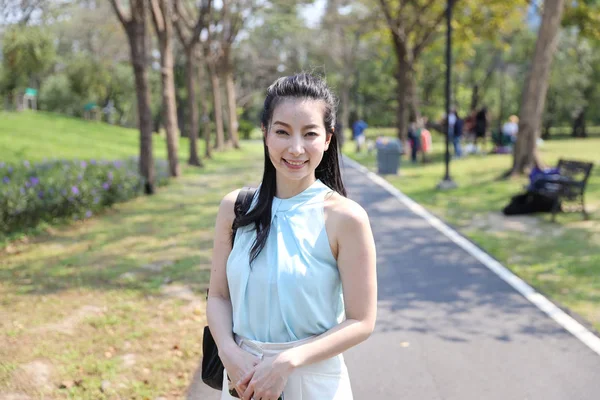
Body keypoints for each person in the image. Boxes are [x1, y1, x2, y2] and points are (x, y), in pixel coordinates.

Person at [207, 73, 378, 400]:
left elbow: (362, 320)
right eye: (282, 131)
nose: (296, 148)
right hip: (242, 380)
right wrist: (229, 352)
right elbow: (218, 296)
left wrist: (287, 361)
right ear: (265, 134)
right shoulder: (235, 208)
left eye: (309, 133)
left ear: (327, 139)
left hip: (313, 382)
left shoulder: (345, 218)